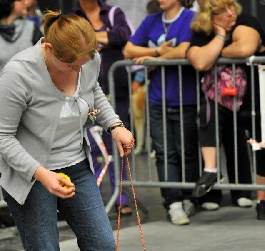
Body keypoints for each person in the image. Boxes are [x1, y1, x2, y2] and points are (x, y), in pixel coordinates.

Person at [0, 10, 137, 251]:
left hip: (75, 165)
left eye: (84, 62)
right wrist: (42, 175)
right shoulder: (19, 73)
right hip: (31, 176)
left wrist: (115, 124)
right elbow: (3, 137)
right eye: (69, 64)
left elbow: (94, 93)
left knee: (102, 249)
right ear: (48, 49)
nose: (78, 70)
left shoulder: (88, 60)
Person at [123, 0, 199, 226]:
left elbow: (185, 50)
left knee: (186, 151)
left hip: (185, 97)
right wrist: (158, 52)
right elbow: (128, 49)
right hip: (156, 98)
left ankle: (188, 196)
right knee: (164, 152)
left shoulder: (190, 18)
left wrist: (154, 59)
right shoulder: (151, 20)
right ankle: (172, 201)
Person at [187, 0, 265, 212]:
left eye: (232, 7)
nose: (231, 13)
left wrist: (215, 53)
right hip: (220, 99)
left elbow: (246, 47)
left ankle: (255, 197)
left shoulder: (245, 21)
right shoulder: (203, 31)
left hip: (255, 99)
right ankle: (211, 171)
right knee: (207, 117)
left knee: (259, 146)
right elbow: (200, 61)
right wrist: (220, 36)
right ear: (209, 17)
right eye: (223, 11)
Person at [72, 0, 133, 216]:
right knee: (92, 147)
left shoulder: (113, 12)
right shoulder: (74, 15)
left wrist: (89, 38)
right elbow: (73, 43)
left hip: (117, 91)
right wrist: (105, 37)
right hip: (84, 93)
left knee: (119, 145)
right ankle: (93, 197)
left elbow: (122, 37)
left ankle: (121, 197)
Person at [0, 0, 43, 227]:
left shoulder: (32, 27)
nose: (27, 2)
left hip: (30, 103)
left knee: (27, 153)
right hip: (2, 102)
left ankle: (30, 205)